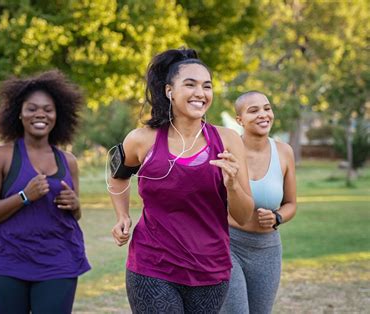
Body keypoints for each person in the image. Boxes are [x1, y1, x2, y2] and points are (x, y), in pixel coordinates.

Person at [108, 48, 254, 313]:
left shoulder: (228, 141)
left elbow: (243, 216)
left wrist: (232, 185)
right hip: (152, 265)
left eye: (206, 86)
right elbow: (117, 177)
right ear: (169, 91)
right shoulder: (142, 139)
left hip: (210, 270)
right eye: (190, 84)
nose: (201, 93)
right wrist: (122, 215)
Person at [0, 70, 90, 314]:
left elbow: (75, 215)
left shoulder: (68, 161)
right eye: (32, 108)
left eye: (48, 109)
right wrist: (24, 196)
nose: (40, 114)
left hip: (58, 262)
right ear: (19, 113)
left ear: (57, 115)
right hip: (7, 263)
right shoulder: (1, 156)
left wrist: (75, 205)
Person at [220, 91, 297, 314]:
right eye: (253, 110)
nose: (263, 115)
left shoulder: (284, 152)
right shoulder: (226, 152)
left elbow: (291, 203)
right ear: (239, 120)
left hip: (267, 250)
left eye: (267, 108)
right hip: (229, 245)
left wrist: (277, 217)